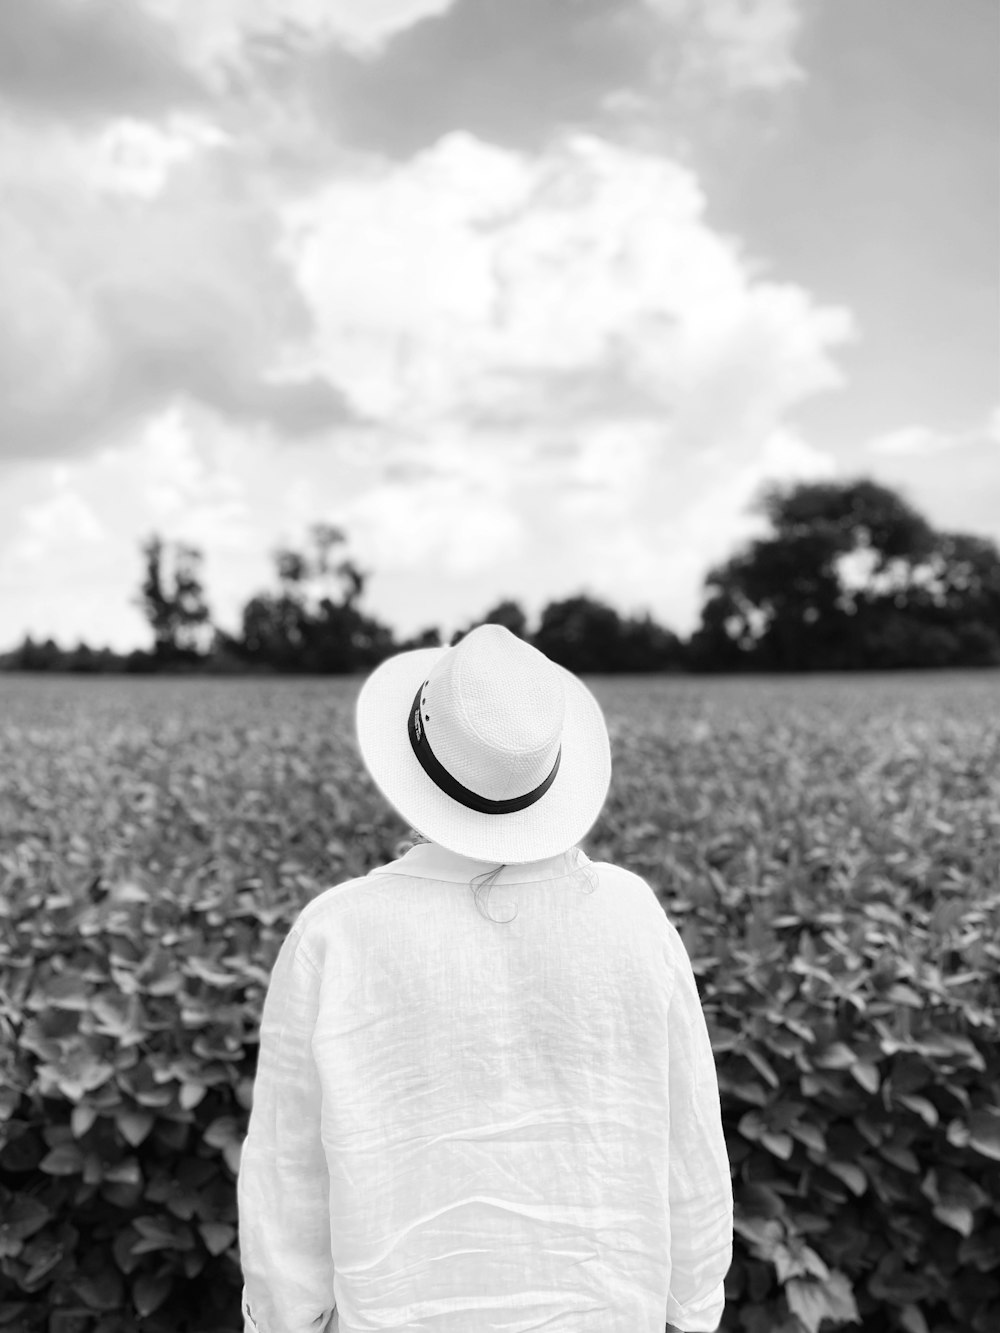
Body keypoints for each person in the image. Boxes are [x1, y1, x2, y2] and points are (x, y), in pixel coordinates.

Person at [237, 624, 733, 1333]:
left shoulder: (334, 932)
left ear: (417, 758)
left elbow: (290, 1189)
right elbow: (692, 1149)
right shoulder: (633, 916)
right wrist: (693, 1311)